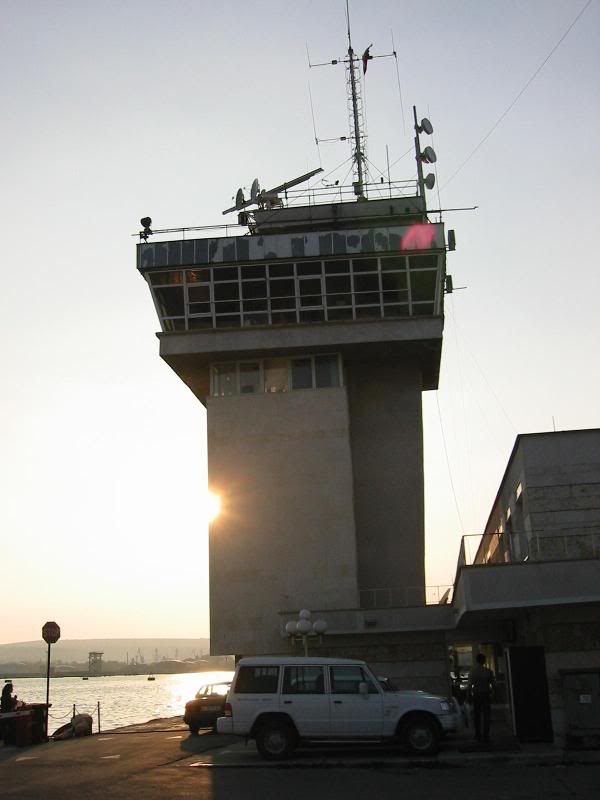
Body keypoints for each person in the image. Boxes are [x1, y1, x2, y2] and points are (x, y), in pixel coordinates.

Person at [467, 653, 496, 742]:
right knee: (486, 715)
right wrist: (493, 695)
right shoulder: (488, 671)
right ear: (484, 661)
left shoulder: (473, 671)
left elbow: (469, 686)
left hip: (476, 695)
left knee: (477, 715)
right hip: (486, 694)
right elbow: (493, 685)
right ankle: (486, 735)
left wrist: (468, 696)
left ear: (476, 660)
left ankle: (477, 734)